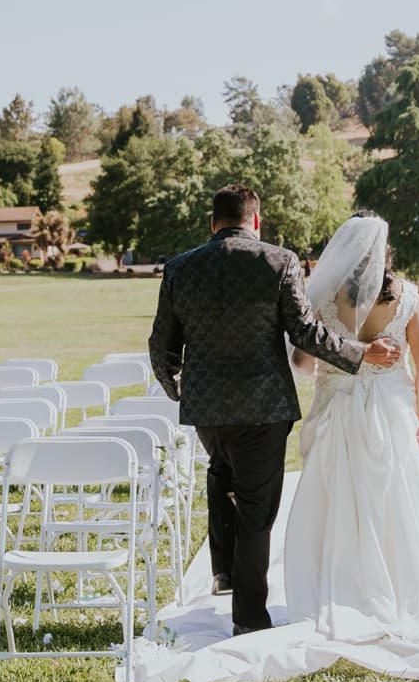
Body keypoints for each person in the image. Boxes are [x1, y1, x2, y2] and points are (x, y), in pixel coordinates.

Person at [148, 185, 402, 635]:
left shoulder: (179, 268)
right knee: (256, 510)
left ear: (213, 223)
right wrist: (360, 354)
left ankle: (224, 572)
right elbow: (306, 334)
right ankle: (249, 619)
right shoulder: (278, 262)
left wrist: (178, 389)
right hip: (263, 408)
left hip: (207, 410)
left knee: (222, 473)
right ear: (256, 220)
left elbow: (161, 345)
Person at [282, 212, 419, 638]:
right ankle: (404, 594)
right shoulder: (405, 297)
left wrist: (346, 353)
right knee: (397, 503)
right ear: (385, 254)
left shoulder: (324, 297)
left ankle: (338, 590)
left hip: (336, 411)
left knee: (337, 503)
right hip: (390, 410)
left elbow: (303, 361)